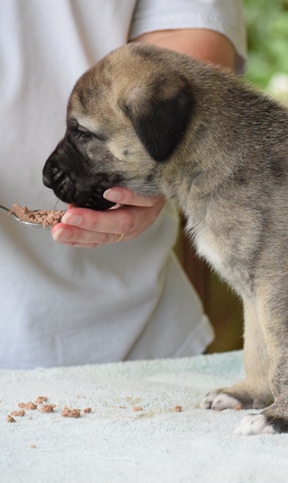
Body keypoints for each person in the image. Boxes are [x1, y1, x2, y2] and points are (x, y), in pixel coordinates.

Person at [0, 1, 247, 369]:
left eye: (82, 135)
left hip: (140, 337)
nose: (49, 176)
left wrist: (163, 158)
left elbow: (185, 28)